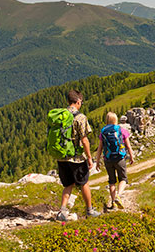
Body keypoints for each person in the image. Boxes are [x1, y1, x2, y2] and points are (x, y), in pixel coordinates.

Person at [56, 90, 101, 221]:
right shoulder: (80, 117)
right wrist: (89, 158)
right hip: (76, 158)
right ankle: (89, 210)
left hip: (62, 156)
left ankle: (62, 212)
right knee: (84, 183)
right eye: (81, 102)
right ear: (78, 102)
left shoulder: (61, 115)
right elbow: (84, 140)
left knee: (68, 184)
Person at [95, 112, 135, 210]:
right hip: (120, 158)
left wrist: (97, 162)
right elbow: (128, 146)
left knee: (112, 181)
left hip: (108, 159)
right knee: (123, 179)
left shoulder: (103, 132)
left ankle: (113, 203)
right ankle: (118, 195)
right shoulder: (122, 130)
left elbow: (100, 148)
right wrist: (131, 156)